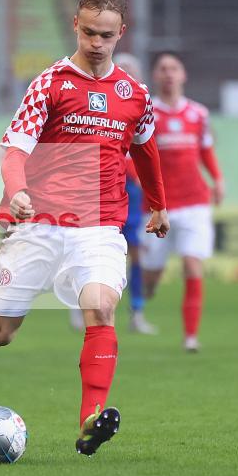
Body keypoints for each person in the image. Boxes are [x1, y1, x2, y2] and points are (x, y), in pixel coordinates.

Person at [0, 0, 169, 457]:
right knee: (1, 336)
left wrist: (158, 204)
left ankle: (90, 420)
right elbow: (15, 150)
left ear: (122, 33)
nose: (96, 43)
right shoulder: (50, 84)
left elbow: (146, 149)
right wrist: (17, 192)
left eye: (106, 35)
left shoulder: (135, 94)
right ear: (76, 25)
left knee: (101, 306)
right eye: (89, 32)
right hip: (40, 223)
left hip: (99, 225)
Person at [141, 52, 224, 352]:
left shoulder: (199, 114)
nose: (168, 73)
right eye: (162, 69)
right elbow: (133, 153)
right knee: (151, 275)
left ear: (183, 75)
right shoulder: (146, 112)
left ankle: (190, 337)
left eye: (173, 68)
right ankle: (145, 292)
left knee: (192, 264)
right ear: (155, 76)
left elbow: (206, 151)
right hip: (157, 207)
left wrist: (218, 179)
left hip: (195, 202)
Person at [68, 52, 156, 334]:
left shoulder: (142, 108)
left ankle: (137, 312)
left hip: (132, 193)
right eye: (123, 69)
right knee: (85, 250)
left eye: (131, 70)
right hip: (98, 190)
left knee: (136, 253)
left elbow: (150, 153)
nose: (125, 75)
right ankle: (79, 304)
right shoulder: (98, 108)